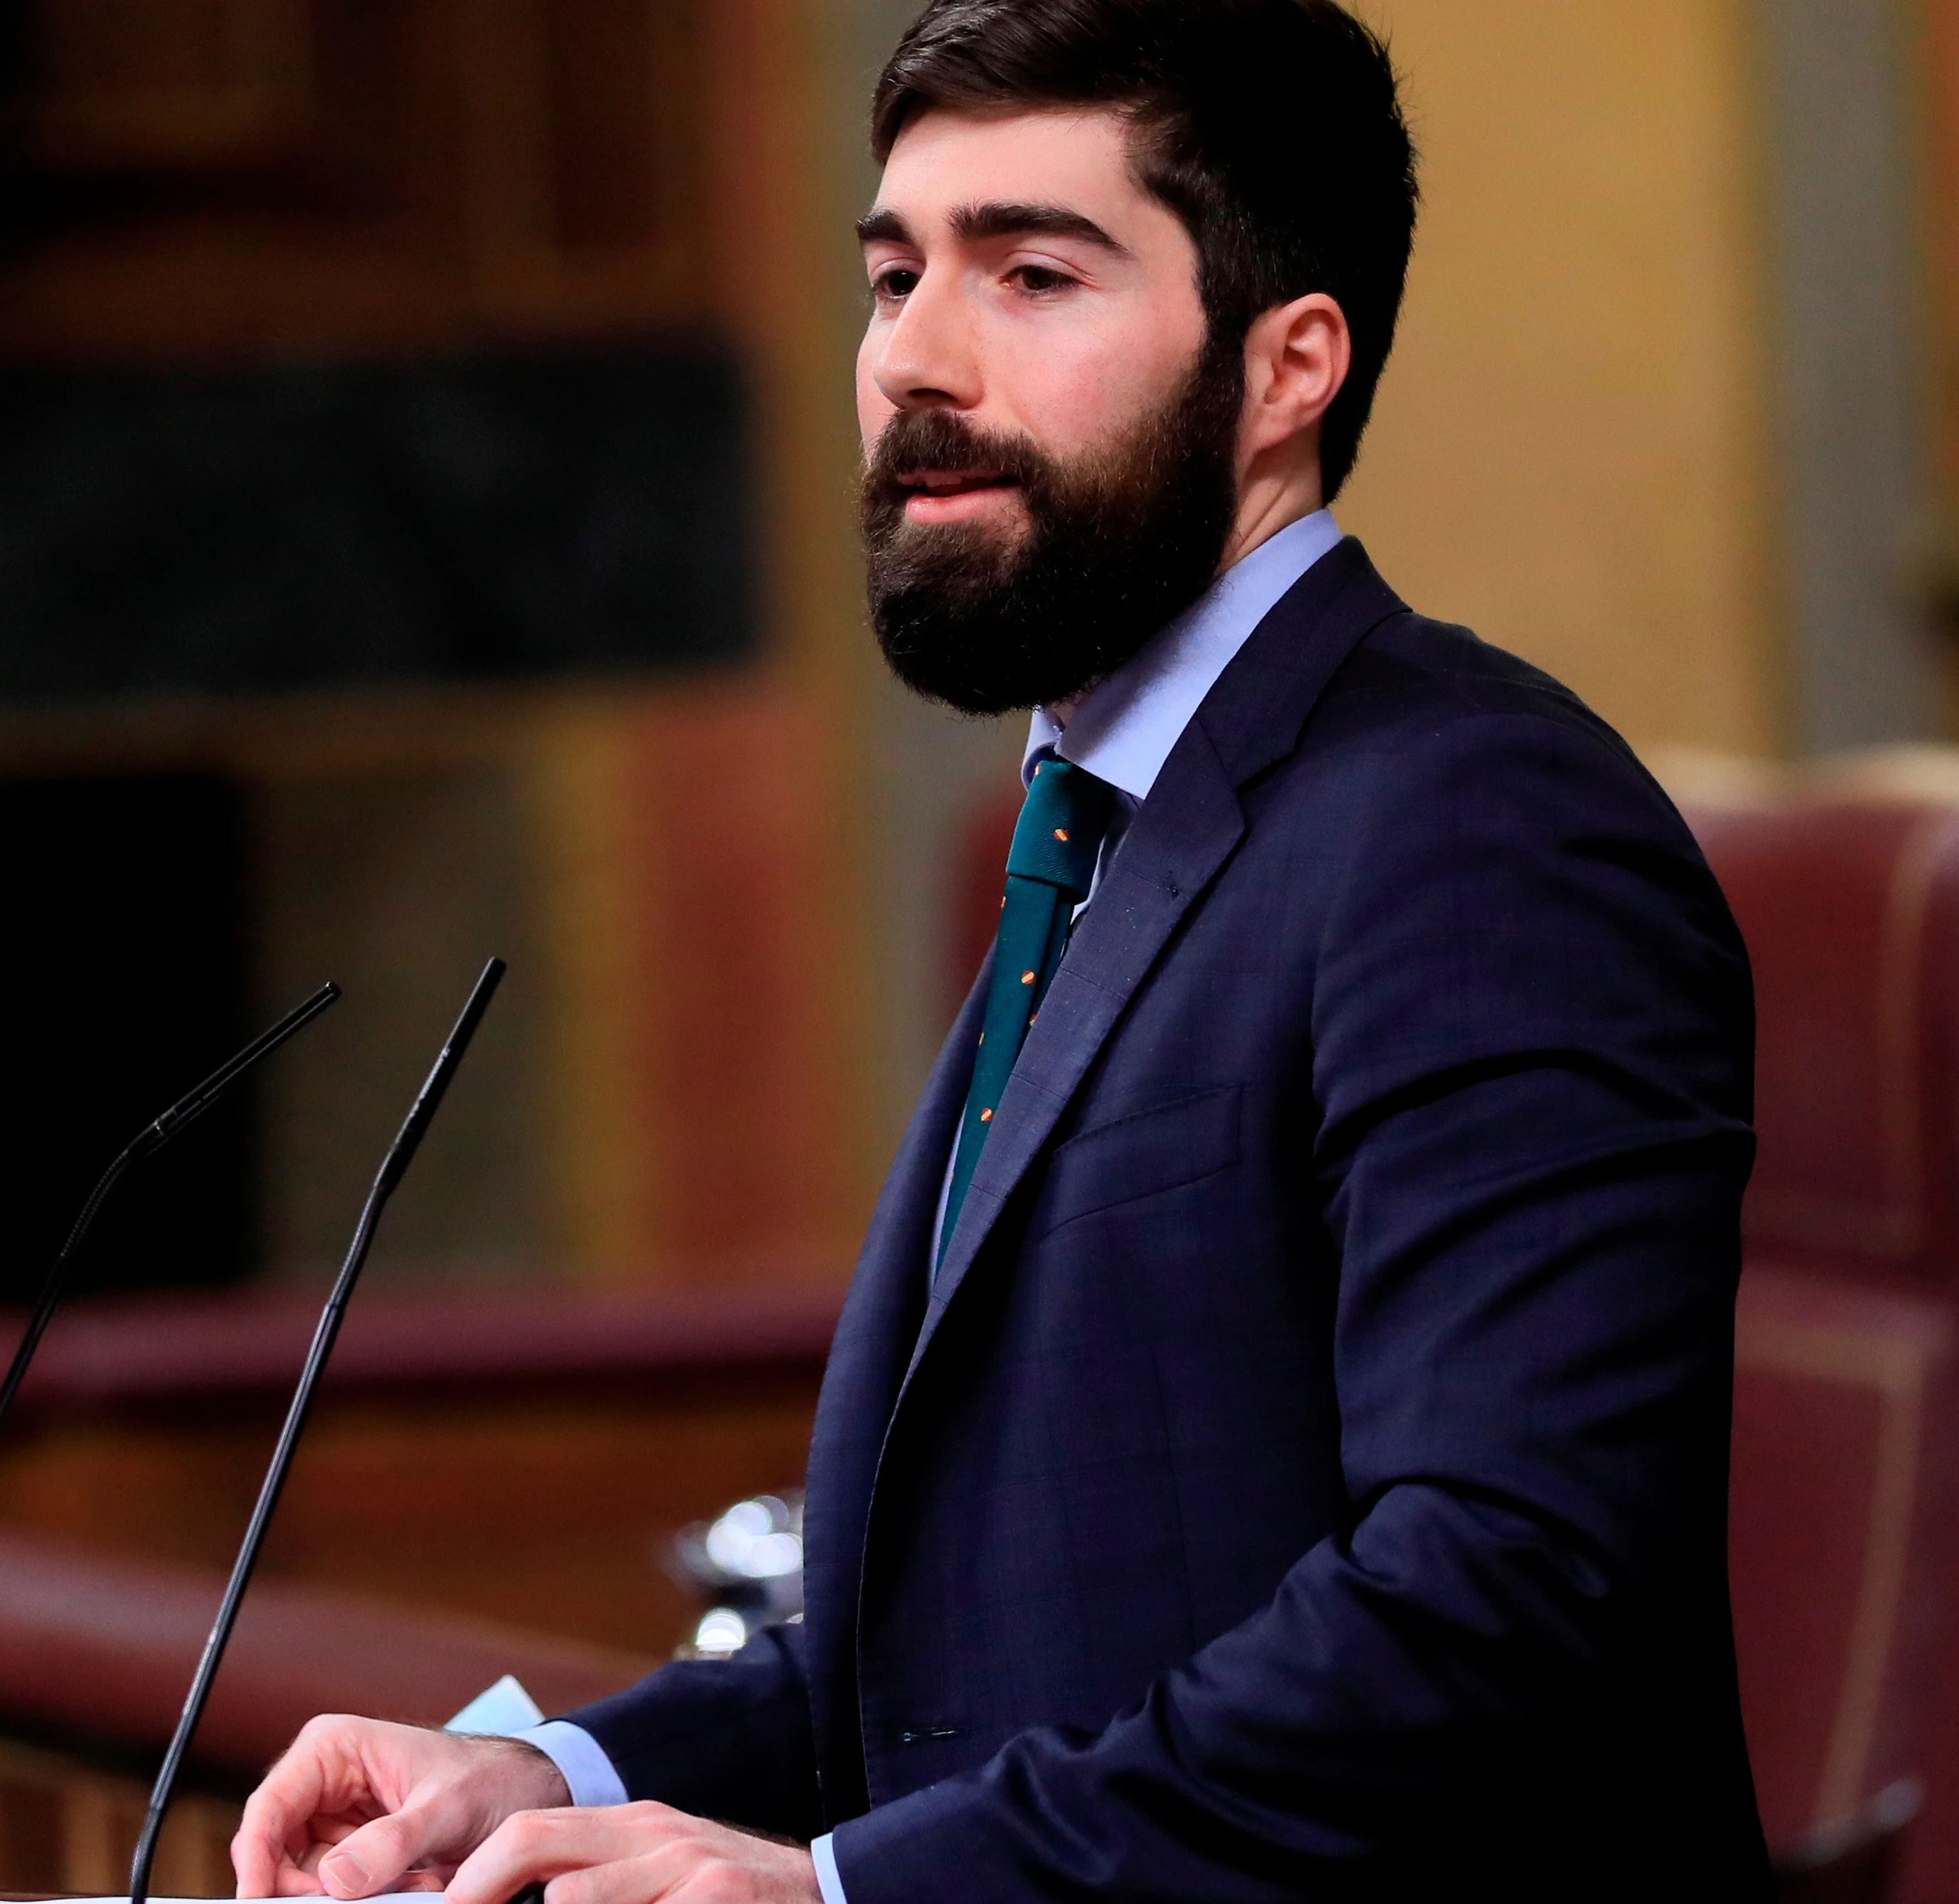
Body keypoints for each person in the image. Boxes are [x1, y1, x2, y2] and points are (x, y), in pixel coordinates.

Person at [232, 1, 1767, 1897]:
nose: (915, 362)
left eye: (1033, 273)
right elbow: (966, 1660)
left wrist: (845, 1891)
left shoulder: (1478, 827)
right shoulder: (1092, 829)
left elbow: (1500, 1611)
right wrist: (539, 1764)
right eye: (893, 277)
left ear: (1287, 365)